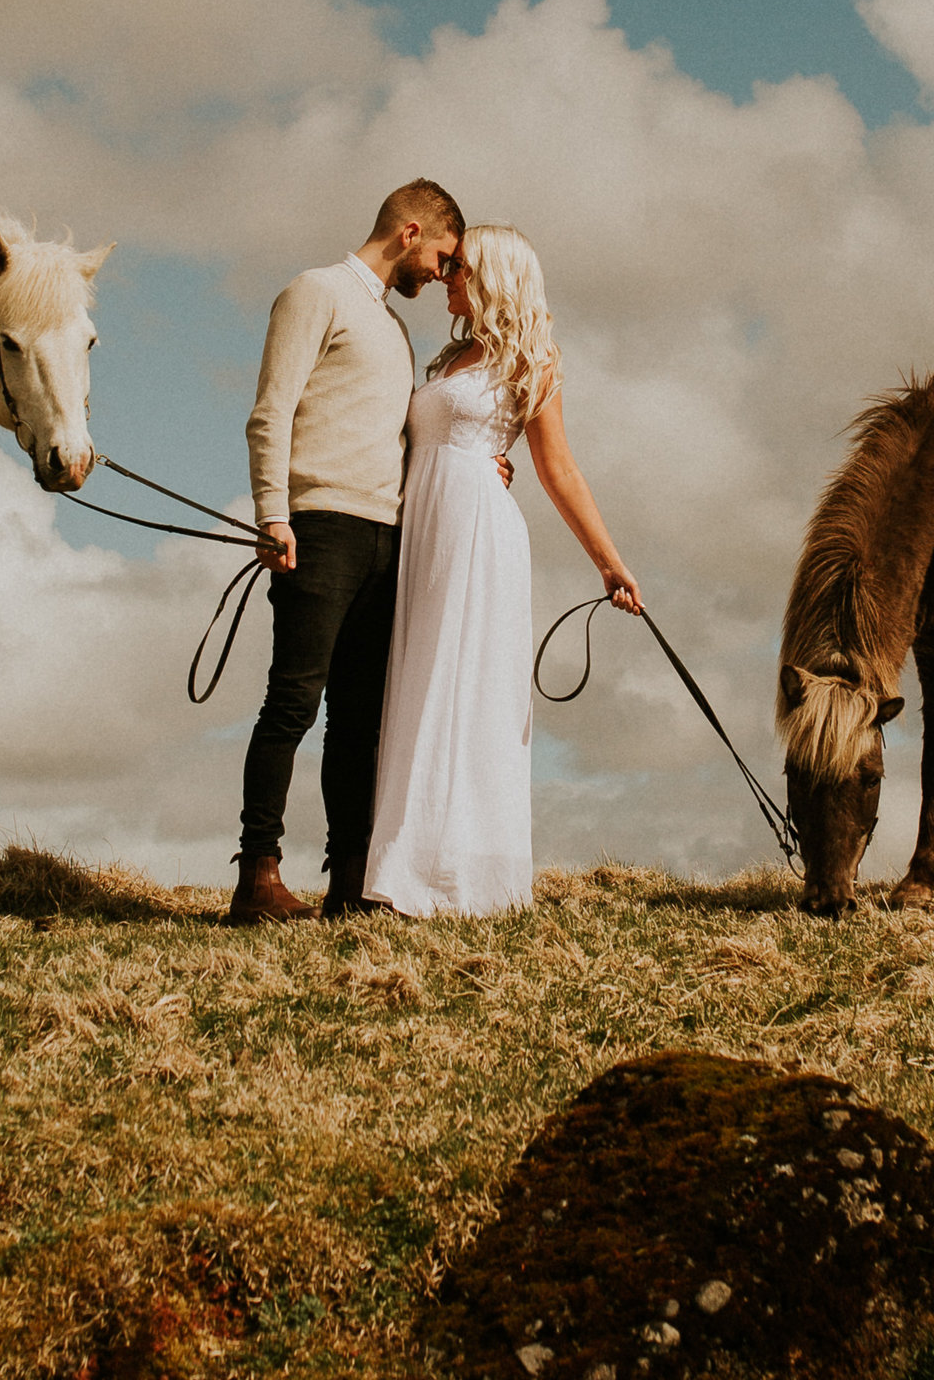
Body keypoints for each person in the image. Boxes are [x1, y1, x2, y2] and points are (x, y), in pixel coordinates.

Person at [362, 224, 640, 919]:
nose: (447, 280)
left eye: (461, 271)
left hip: (476, 533)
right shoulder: (449, 360)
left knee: (464, 690)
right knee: (416, 681)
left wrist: (610, 564)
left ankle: (456, 879)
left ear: (494, 280)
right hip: (422, 527)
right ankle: (403, 866)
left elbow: (560, 469)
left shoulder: (531, 362)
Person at [230, 178, 464, 926]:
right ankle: (258, 876)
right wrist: (274, 513)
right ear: (411, 231)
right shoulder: (316, 292)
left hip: (384, 535)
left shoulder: (393, 329)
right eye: (443, 256)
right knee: (292, 703)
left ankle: (350, 882)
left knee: (360, 718)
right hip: (320, 523)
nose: (442, 273)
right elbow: (270, 411)